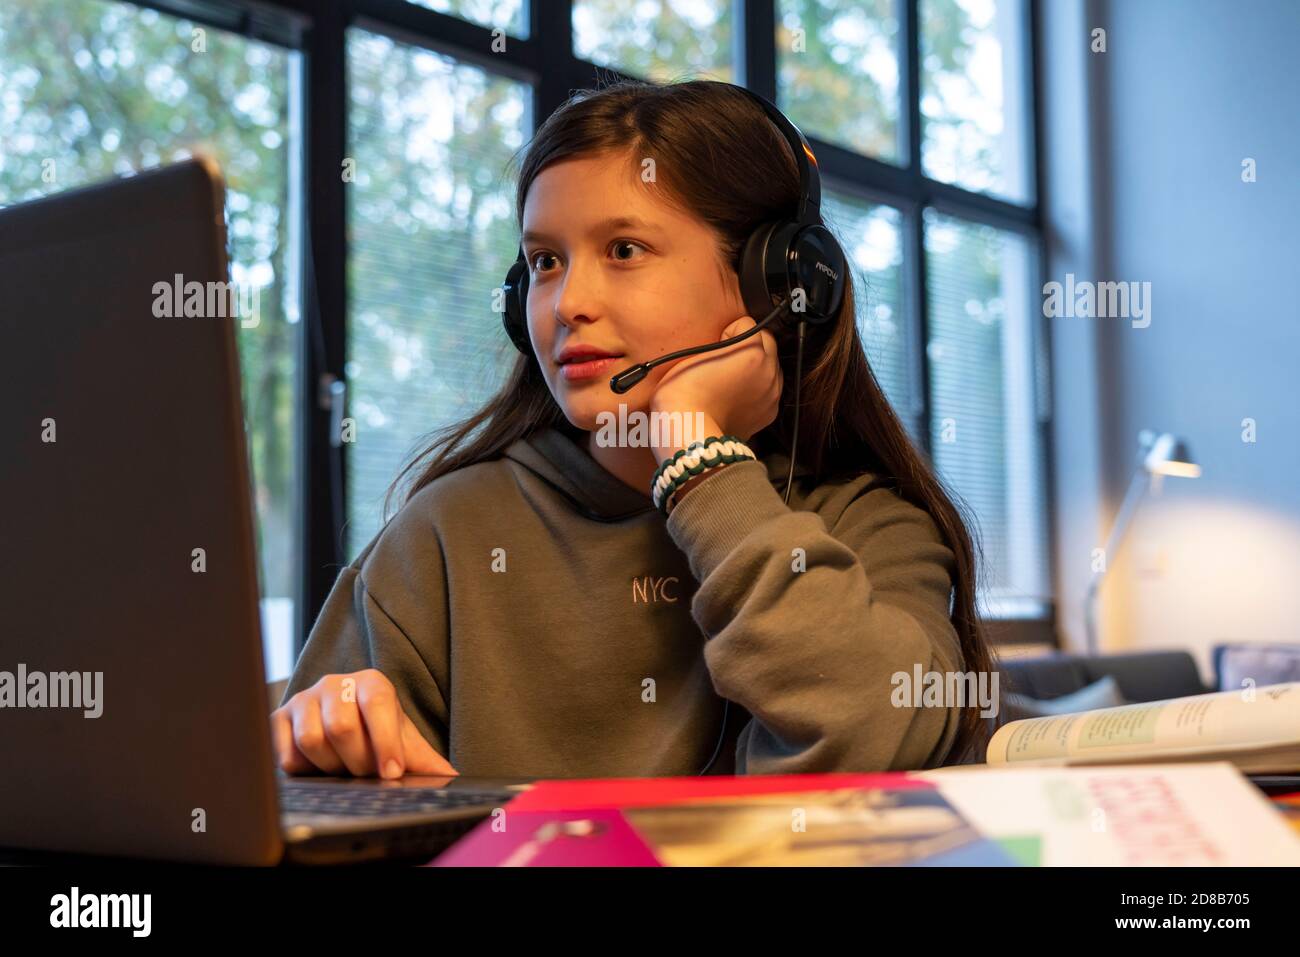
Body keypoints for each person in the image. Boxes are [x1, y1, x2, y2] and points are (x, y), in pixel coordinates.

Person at [272, 78, 997, 780]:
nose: (566, 303)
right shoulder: (448, 534)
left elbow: (869, 739)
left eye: (623, 250)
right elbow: (296, 804)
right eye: (545, 262)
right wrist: (321, 736)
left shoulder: (870, 529)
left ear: (772, 284)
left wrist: (699, 459)